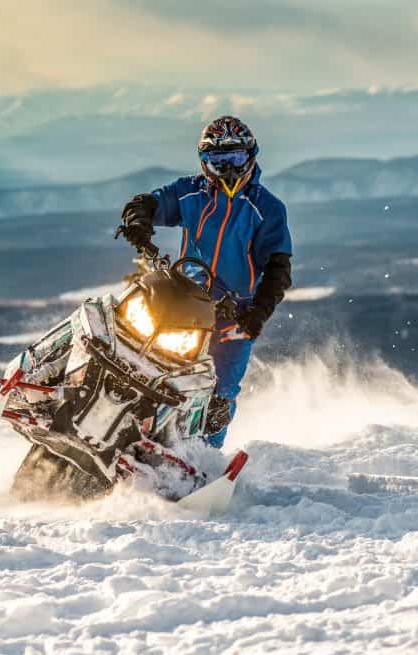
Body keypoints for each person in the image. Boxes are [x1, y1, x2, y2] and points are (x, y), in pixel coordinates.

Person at [118, 115, 292, 448]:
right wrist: (138, 219)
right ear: (204, 162)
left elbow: (278, 267)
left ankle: (202, 458)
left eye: (235, 159)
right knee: (128, 343)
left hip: (234, 314)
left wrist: (259, 311)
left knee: (220, 391)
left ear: (250, 157)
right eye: (218, 161)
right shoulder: (190, 192)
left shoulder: (267, 208)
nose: (227, 169)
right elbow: (150, 202)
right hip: (183, 299)